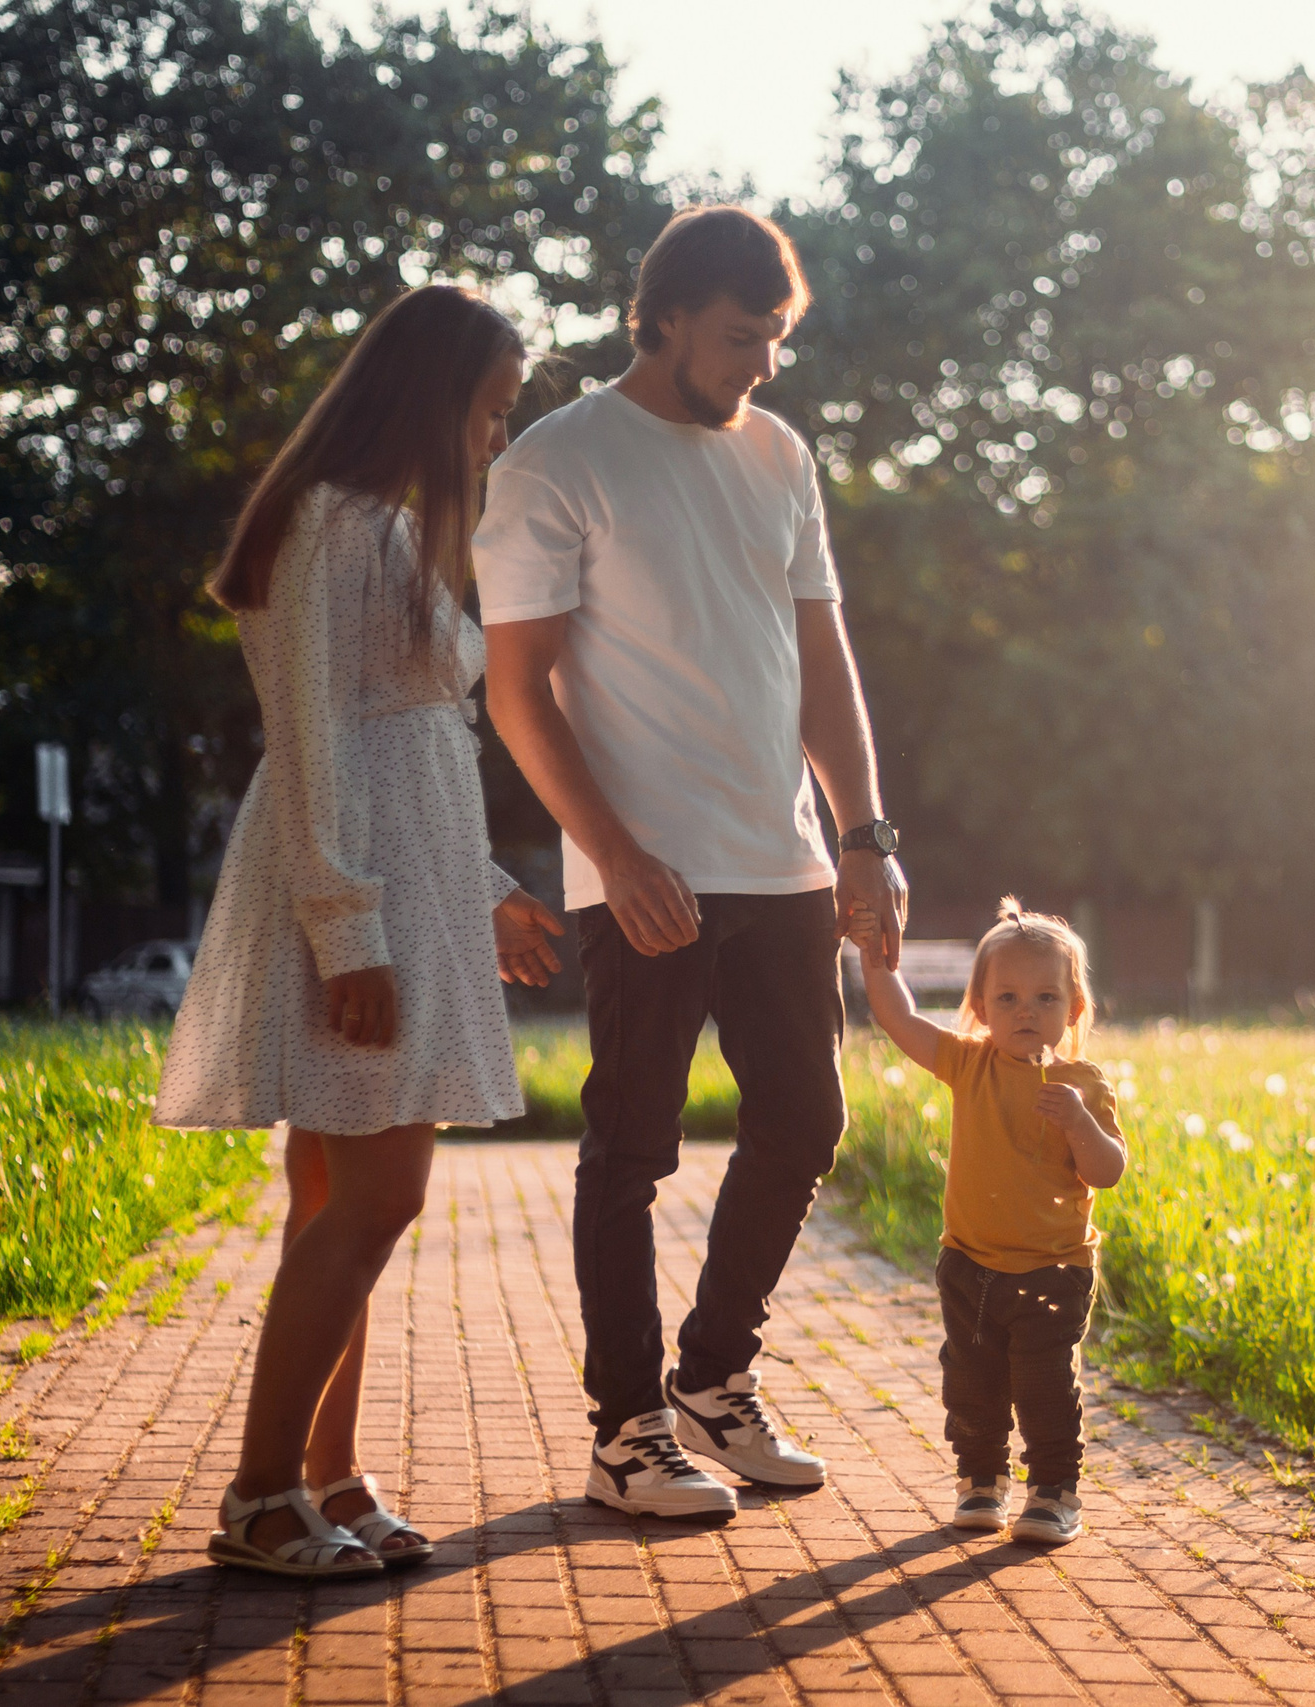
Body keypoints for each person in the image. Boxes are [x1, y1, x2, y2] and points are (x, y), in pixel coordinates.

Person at [479, 205, 907, 1519]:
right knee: (631, 1148)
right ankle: (626, 1428)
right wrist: (611, 851)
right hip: (649, 871)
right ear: (661, 316)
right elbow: (518, 691)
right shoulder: (560, 461)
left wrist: (866, 833)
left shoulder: (780, 455)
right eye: (742, 334)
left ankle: (716, 1377)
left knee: (806, 1123)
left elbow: (822, 657)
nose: (764, 363)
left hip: (780, 861)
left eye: (777, 337)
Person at [155, 285, 567, 1577]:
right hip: (358, 904)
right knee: (378, 1192)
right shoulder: (330, 528)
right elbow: (317, 743)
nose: (495, 439)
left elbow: (414, 742)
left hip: (409, 890)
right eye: (491, 410)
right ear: (431, 394)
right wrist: (350, 933)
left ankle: (325, 1473)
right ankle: (262, 1492)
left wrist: (487, 881)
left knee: (336, 1194)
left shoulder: (379, 528)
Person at [850, 898, 1126, 1544]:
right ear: (979, 1006)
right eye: (1006, 997)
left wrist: (1080, 1123)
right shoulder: (966, 1063)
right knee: (971, 1383)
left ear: (1074, 1008)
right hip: (970, 1263)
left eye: (1044, 997)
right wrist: (871, 951)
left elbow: (1109, 1169)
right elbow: (898, 1016)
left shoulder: (1082, 1082)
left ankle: (1055, 1489)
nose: (1025, 1011)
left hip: (1053, 1268)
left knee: (1044, 1383)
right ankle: (980, 1479)